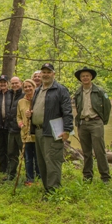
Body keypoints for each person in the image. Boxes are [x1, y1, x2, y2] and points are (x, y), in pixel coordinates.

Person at [27, 63, 73, 198]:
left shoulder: (60, 90)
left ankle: (53, 191)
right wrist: (31, 114)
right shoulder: (38, 90)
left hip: (53, 131)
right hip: (39, 131)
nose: (45, 74)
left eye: (48, 72)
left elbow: (67, 111)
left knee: (52, 161)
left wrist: (67, 129)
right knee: (42, 162)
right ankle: (47, 188)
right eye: (43, 72)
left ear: (53, 74)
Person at [73, 67, 111, 183]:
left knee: (99, 151)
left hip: (96, 122)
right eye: (83, 76)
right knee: (86, 152)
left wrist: (102, 121)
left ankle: (105, 177)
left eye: (87, 76)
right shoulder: (78, 92)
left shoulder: (99, 91)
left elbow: (107, 106)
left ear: (91, 77)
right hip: (83, 123)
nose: (85, 78)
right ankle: (87, 176)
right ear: (80, 78)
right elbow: (78, 108)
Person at [17, 79, 40, 186]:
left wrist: (33, 114)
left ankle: (40, 177)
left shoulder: (38, 99)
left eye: (29, 86)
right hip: (26, 134)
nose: (27, 89)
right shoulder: (21, 102)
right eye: (25, 87)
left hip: (37, 133)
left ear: (34, 86)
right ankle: (29, 178)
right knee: (28, 158)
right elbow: (18, 117)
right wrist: (21, 124)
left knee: (38, 157)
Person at [3, 77, 24, 181]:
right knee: (11, 153)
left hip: (21, 130)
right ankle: (11, 174)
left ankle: (31, 175)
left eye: (17, 83)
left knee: (25, 153)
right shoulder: (8, 95)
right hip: (11, 129)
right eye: (13, 83)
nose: (15, 85)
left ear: (21, 83)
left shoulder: (24, 95)